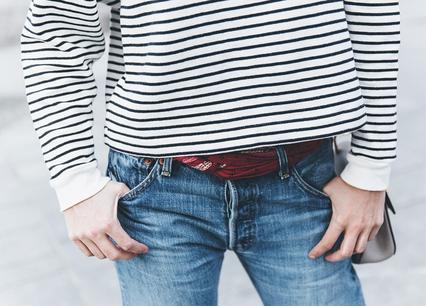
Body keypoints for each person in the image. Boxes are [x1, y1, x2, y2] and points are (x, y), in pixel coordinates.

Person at [20, 0, 400, 305]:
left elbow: (373, 11)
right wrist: (75, 183)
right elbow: (55, 34)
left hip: (303, 179)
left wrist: (371, 167)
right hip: (158, 189)